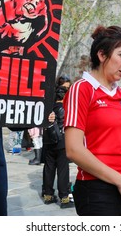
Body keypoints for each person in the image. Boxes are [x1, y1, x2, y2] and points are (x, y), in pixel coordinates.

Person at [63, 25, 121, 216]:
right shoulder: (82, 89)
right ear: (102, 55)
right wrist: (120, 181)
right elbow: (73, 149)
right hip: (98, 189)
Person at [42, 78, 73, 209]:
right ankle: (64, 198)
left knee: (49, 168)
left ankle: (48, 195)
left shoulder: (47, 106)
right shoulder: (67, 107)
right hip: (62, 142)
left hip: (49, 140)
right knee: (62, 169)